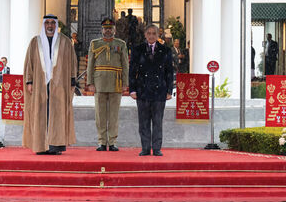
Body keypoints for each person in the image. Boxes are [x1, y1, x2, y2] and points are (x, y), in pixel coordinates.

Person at [22, 14, 77, 155]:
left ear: (56, 25)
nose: (50, 26)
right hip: (40, 84)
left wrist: (72, 79)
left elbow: (72, 62)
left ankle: (55, 145)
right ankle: (40, 145)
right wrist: (29, 81)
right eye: (47, 23)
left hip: (60, 85)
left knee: (57, 114)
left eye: (53, 23)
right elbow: (29, 63)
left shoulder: (65, 41)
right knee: (40, 113)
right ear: (44, 25)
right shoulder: (35, 41)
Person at [129, 24, 174, 157]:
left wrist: (169, 90)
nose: (151, 36)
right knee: (143, 122)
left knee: (157, 121)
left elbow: (169, 72)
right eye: (148, 33)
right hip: (142, 90)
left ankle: (157, 148)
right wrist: (132, 89)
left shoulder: (165, 50)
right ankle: (145, 148)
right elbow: (132, 71)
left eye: (154, 33)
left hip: (159, 91)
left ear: (158, 35)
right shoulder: (138, 49)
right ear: (145, 35)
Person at [85, 18, 129, 151]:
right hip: (99, 82)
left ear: (114, 30)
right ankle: (102, 141)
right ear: (101, 30)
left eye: (110, 28)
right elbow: (90, 65)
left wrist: (125, 83)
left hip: (116, 82)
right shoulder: (95, 44)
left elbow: (125, 65)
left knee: (114, 114)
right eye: (105, 28)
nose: (108, 30)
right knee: (100, 113)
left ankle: (113, 141)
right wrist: (90, 82)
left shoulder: (121, 44)